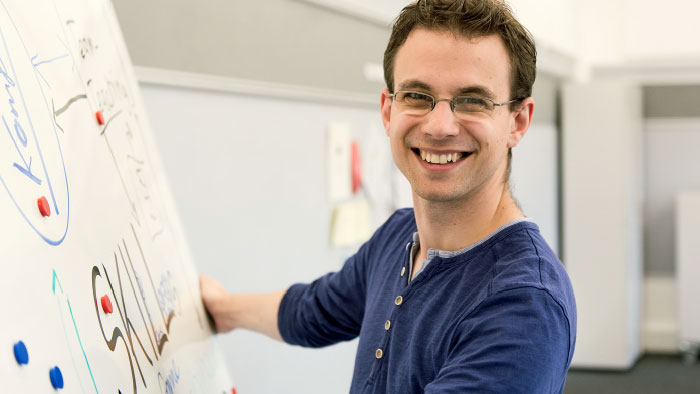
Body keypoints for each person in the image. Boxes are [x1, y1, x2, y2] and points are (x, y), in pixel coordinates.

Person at [200, 0, 576, 392]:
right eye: (417, 95)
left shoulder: (524, 304)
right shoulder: (400, 235)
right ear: (387, 110)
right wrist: (222, 310)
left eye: (472, 101)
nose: (439, 126)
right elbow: (313, 311)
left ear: (518, 121)